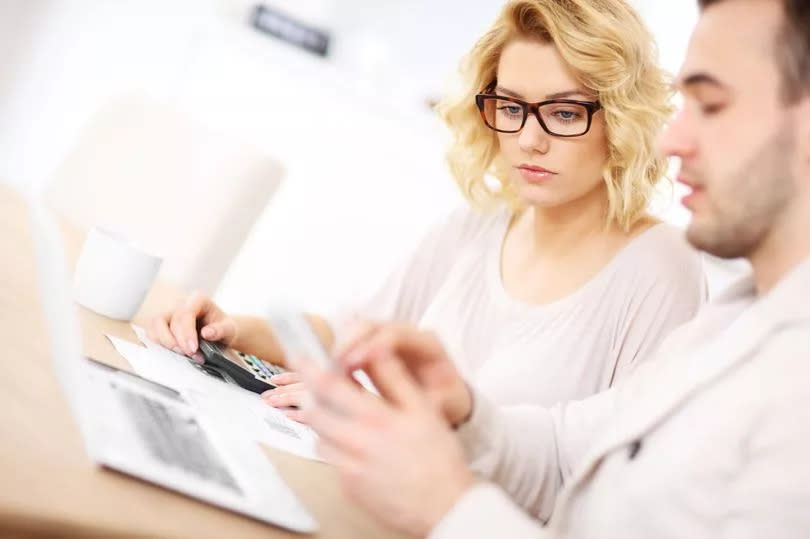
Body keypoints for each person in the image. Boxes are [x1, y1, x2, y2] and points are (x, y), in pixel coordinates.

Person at [300, 0, 810, 536]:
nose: (670, 141)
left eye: (711, 104)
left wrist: (448, 505)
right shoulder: (736, 318)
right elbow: (569, 452)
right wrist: (464, 411)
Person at [149, 0, 704, 423]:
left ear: (622, 118)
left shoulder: (661, 271)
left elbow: (614, 490)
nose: (528, 141)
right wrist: (230, 329)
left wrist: (394, 424)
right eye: (511, 107)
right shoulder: (480, 224)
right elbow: (349, 336)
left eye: (563, 113)